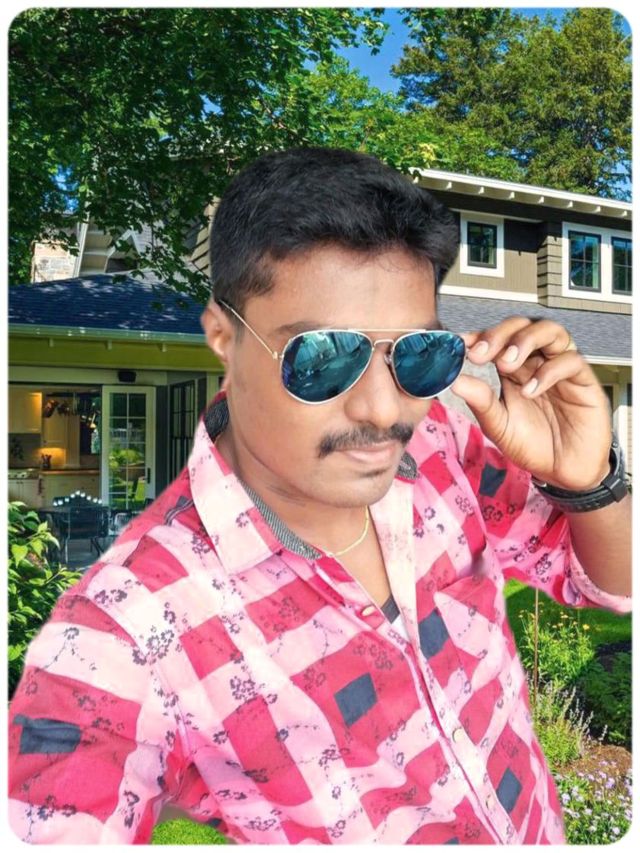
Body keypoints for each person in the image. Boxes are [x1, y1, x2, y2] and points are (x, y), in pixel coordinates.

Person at [8, 147, 631, 845]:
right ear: (223, 338)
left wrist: (588, 482)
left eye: (418, 354)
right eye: (322, 358)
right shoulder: (128, 629)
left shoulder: (444, 447)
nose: (381, 409)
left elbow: (616, 586)